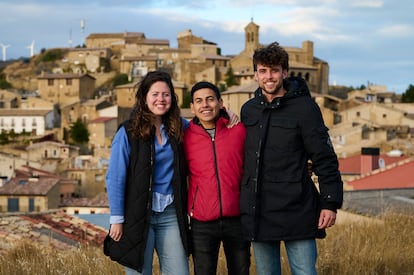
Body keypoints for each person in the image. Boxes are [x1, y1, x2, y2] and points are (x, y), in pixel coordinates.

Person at [239, 42, 343, 275]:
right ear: (255, 74)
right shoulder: (249, 110)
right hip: (260, 211)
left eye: (274, 70)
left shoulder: (306, 108)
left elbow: (324, 157)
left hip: (298, 209)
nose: (269, 76)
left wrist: (329, 202)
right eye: (263, 71)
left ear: (285, 73)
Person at [103, 71, 190, 275]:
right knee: (139, 271)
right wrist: (117, 218)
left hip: (170, 213)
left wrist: (224, 114)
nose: (161, 99)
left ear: (172, 98)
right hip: (138, 214)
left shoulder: (180, 127)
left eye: (166, 94)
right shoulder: (127, 132)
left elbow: (205, 126)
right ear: (144, 97)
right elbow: (115, 177)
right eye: (155, 94)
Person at [184, 81, 250, 275]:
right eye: (199, 101)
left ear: (221, 103)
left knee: (240, 271)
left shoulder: (239, 130)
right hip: (202, 222)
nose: (205, 105)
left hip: (237, 218)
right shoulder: (184, 136)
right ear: (192, 107)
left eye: (210, 99)